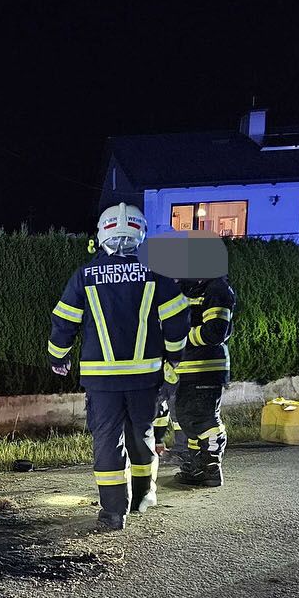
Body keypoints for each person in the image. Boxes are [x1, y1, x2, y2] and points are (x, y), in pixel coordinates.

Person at [49, 202, 190, 531]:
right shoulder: (155, 274)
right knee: (142, 434)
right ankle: (143, 496)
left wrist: (58, 357)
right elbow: (177, 319)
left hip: (101, 382)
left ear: (102, 234)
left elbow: (64, 321)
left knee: (107, 441)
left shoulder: (85, 275)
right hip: (144, 378)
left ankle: (113, 513)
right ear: (141, 235)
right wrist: (174, 356)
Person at [170, 264, 236, 487]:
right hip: (188, 368)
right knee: (188, 418)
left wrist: (180, 337)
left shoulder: (217, 289)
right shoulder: (192, 288)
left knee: (203, 419)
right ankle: (196, 466)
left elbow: (215, 332)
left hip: (206, 368)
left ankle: (211, 468)